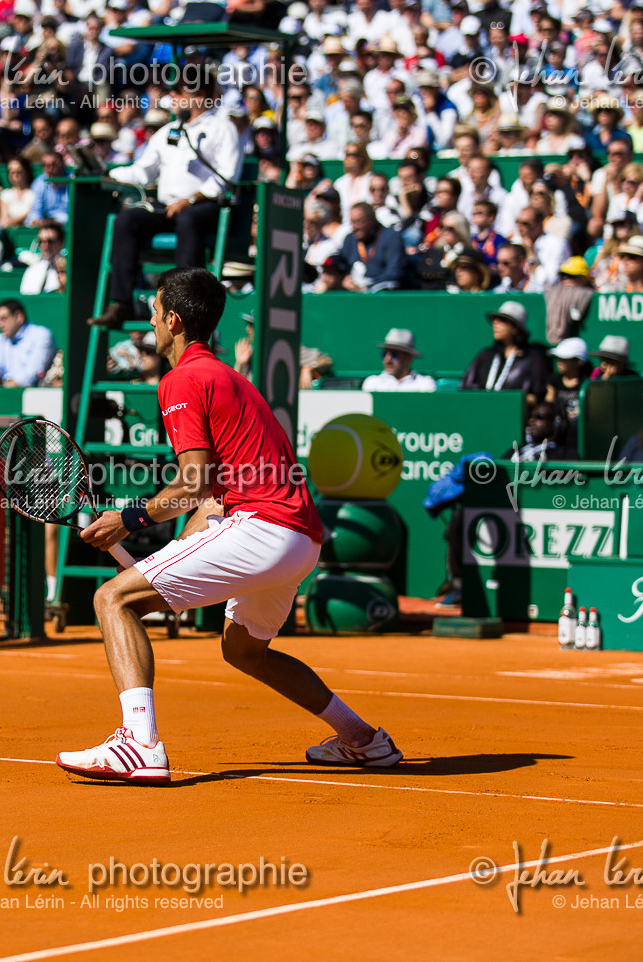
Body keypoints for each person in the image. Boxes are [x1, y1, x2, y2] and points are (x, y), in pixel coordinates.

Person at [66, 268, 400, 784]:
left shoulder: (181, 380)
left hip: (263, 528)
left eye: (155, 312)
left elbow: (193, 481)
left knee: (113, 599)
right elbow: (216, 493)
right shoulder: (230, 378)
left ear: (172, 320)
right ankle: (363, 739)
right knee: (243, 650)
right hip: (300, 539)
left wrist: (127, 520)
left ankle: (139, 744)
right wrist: (173, 554)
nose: (150, 321)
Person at [90, 65, 241, 329]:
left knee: (188, 221)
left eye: (179, 91)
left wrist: (190, 200)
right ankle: (121, 303)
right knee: (127, 221)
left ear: (199, 94)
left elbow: (227, 177)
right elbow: (143, 171)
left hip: (205, 207)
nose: (173, 97)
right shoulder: (167, 131)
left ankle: (182, 302)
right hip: (168, 206)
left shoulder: (223, 129)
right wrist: (109, 172)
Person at [459, 300, 551, 405]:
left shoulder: (532, 359)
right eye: (495, 319)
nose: (495, 323)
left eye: (502, 320)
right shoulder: (486, 355)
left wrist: (512, 401)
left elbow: (537, 396)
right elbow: (466, 386)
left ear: (515, 328)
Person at [0, 298, 54, 387]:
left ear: (19, 316)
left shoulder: (41, 335)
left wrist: (6, 386)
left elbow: (34, 373)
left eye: (3, 319)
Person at [361, 329, 436, 391]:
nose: (388, 359)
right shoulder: (372, 382)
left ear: (408, 358)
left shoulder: (425, 384)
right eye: (384, 354)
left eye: (394, 354)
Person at [508, 400, 581, 463]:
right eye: (531, 416)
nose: (531, 421)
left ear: (556, 423)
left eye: (540, 417)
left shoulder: (565, 455)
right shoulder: (517, 450)